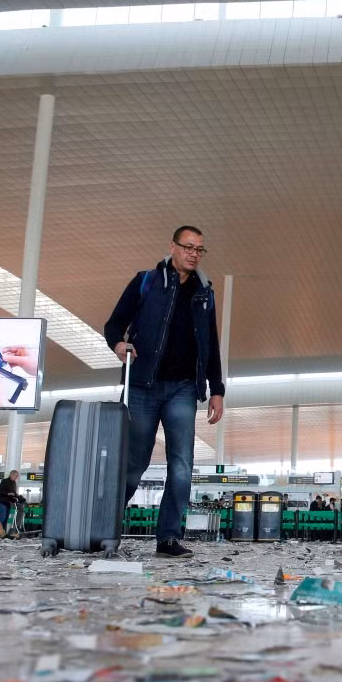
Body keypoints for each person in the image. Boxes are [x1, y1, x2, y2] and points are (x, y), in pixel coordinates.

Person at [105, 226, 225, 559]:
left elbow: (210, 345)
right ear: (172, 247)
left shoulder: (205, 293)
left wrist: (217, 390)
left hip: (184, 388)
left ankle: (168, 537)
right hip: (144, 385)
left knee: (182, 465)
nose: (194, 254)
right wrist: (118, 344)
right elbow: (114, 323)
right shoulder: (146, 281)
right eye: (188, 247)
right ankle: (105, 528)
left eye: (200, 249)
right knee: (134, 463)